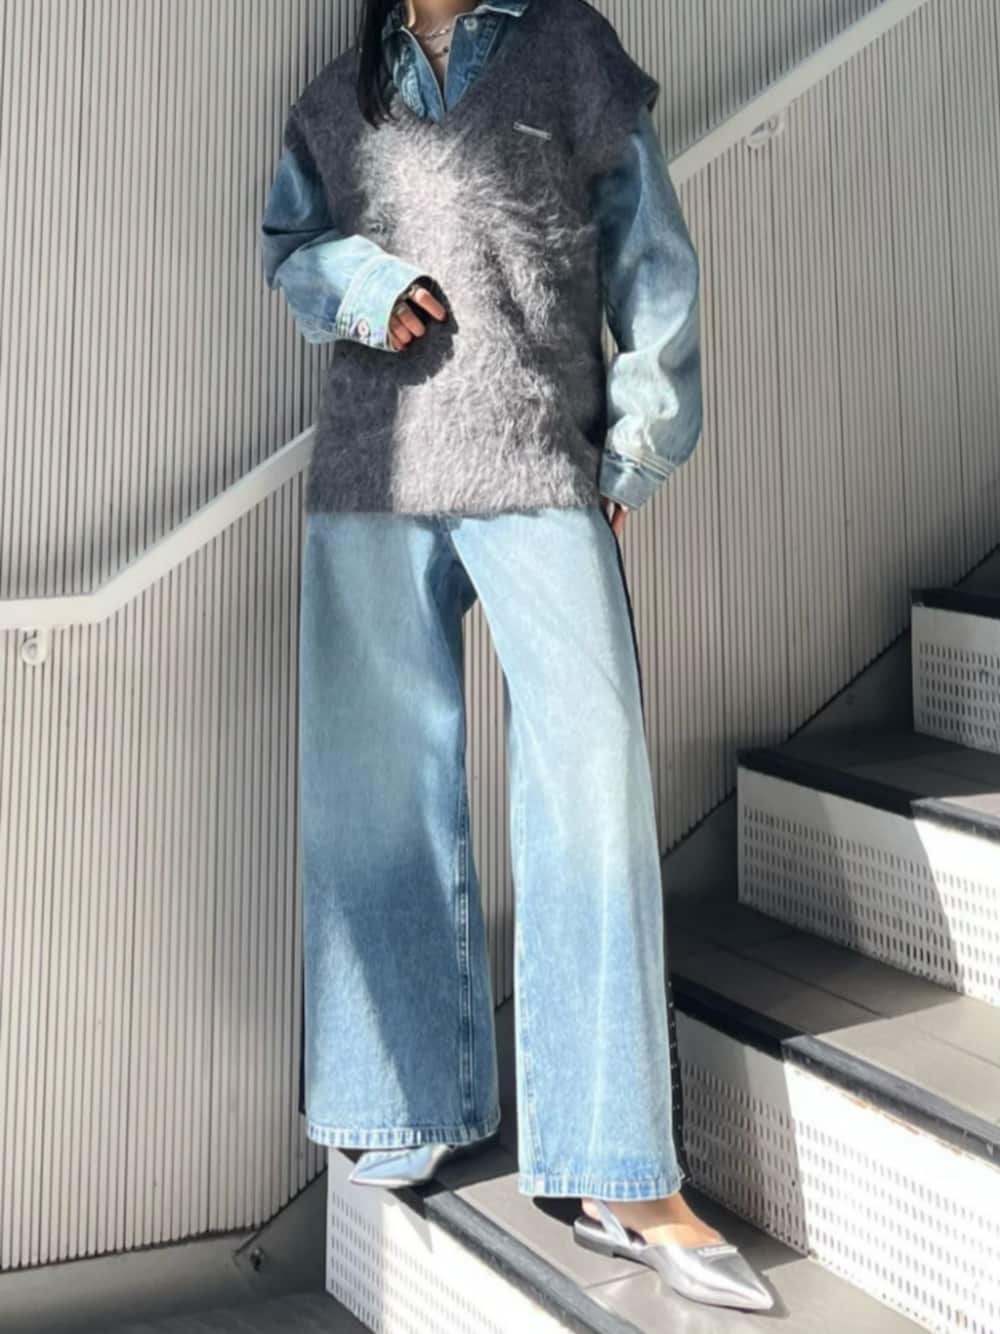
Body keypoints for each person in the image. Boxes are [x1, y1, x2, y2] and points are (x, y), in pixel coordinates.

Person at [261, 0, 772, 1313]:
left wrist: (636, 444)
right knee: (377, 802)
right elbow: (289, 246)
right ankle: (405, 1093)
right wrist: (364, 287)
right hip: (373, 484)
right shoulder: (337, 96)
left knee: (593, 796)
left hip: (539, 464)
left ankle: (618, 1168)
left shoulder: (567, 48)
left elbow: (653, 258)